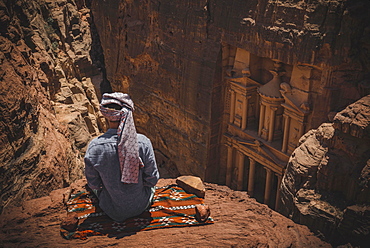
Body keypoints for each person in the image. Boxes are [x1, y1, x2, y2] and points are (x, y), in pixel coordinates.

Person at [84, 92, 159, 222]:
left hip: (110, 207)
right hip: (140, 205)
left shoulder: (94, 147)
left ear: (105, 114)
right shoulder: (143, 142)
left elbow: (94, 184)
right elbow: (152, 179)